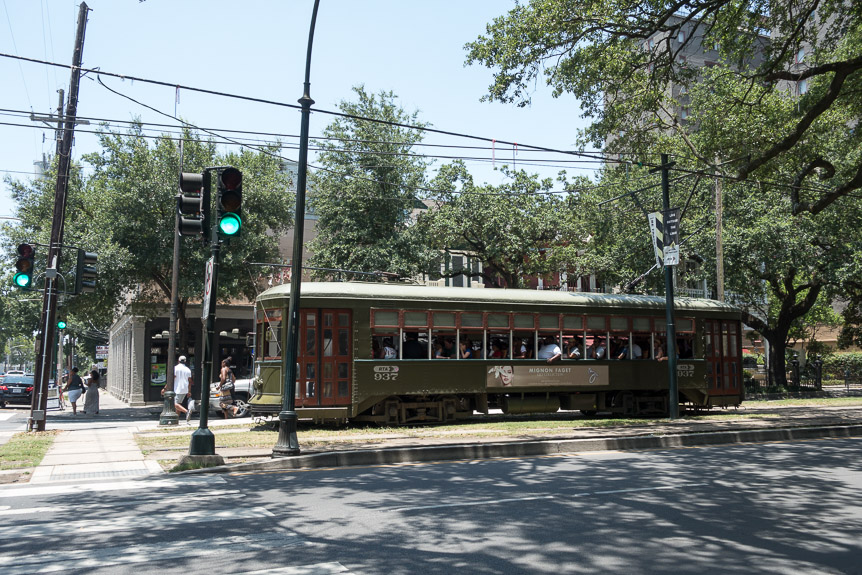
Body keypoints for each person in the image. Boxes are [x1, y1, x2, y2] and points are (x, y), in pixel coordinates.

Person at [173, 355, 193, 422]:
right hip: (185, 389)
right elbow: (190, 381)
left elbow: (172, 378)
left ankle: (187, 411)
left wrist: (165, 388)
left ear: (178, 361)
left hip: (177, 389)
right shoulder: (188, 370)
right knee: (178, 404)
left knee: (173, 403)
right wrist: (189, 391)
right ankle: (176, 420)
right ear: (185, 361)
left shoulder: (175, 368)